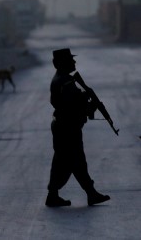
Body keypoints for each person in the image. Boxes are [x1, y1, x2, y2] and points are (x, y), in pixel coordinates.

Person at [45, 47, 110, 207]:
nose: (74, 62)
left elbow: (72, 102)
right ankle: (90, 193)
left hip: (65, 127)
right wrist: (90, 107)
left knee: (63, 162)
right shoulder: (64, 82)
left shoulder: (63, 80)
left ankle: (54, 195)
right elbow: (72, 106)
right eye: (70, 60)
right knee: (75, 162)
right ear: (61, 63)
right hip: (67, 128)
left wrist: (86, 102)